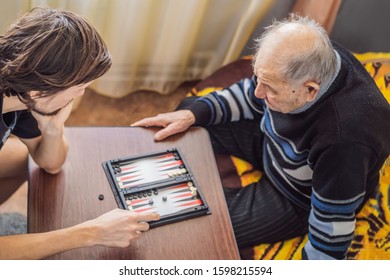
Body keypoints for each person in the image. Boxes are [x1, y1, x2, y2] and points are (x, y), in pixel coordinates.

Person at [132, 14, 390, 260]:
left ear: (310, 90)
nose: (257, 92)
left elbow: (333, 220)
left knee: (199, 223)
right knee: (190, 112)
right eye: (259, 78)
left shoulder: (345, 140)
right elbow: (249, 93)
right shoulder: (313, 57)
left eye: (269, 88)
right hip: (271, 141)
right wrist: (194, 115)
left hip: (299, 195)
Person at [0, 7, 159, 260]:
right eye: (80, 87)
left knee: (22, 157)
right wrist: (92, 232)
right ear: (38, 93)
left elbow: (50, 164)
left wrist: (53, 126)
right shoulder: (30, 90)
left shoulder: (21, 84)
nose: (82, 94)